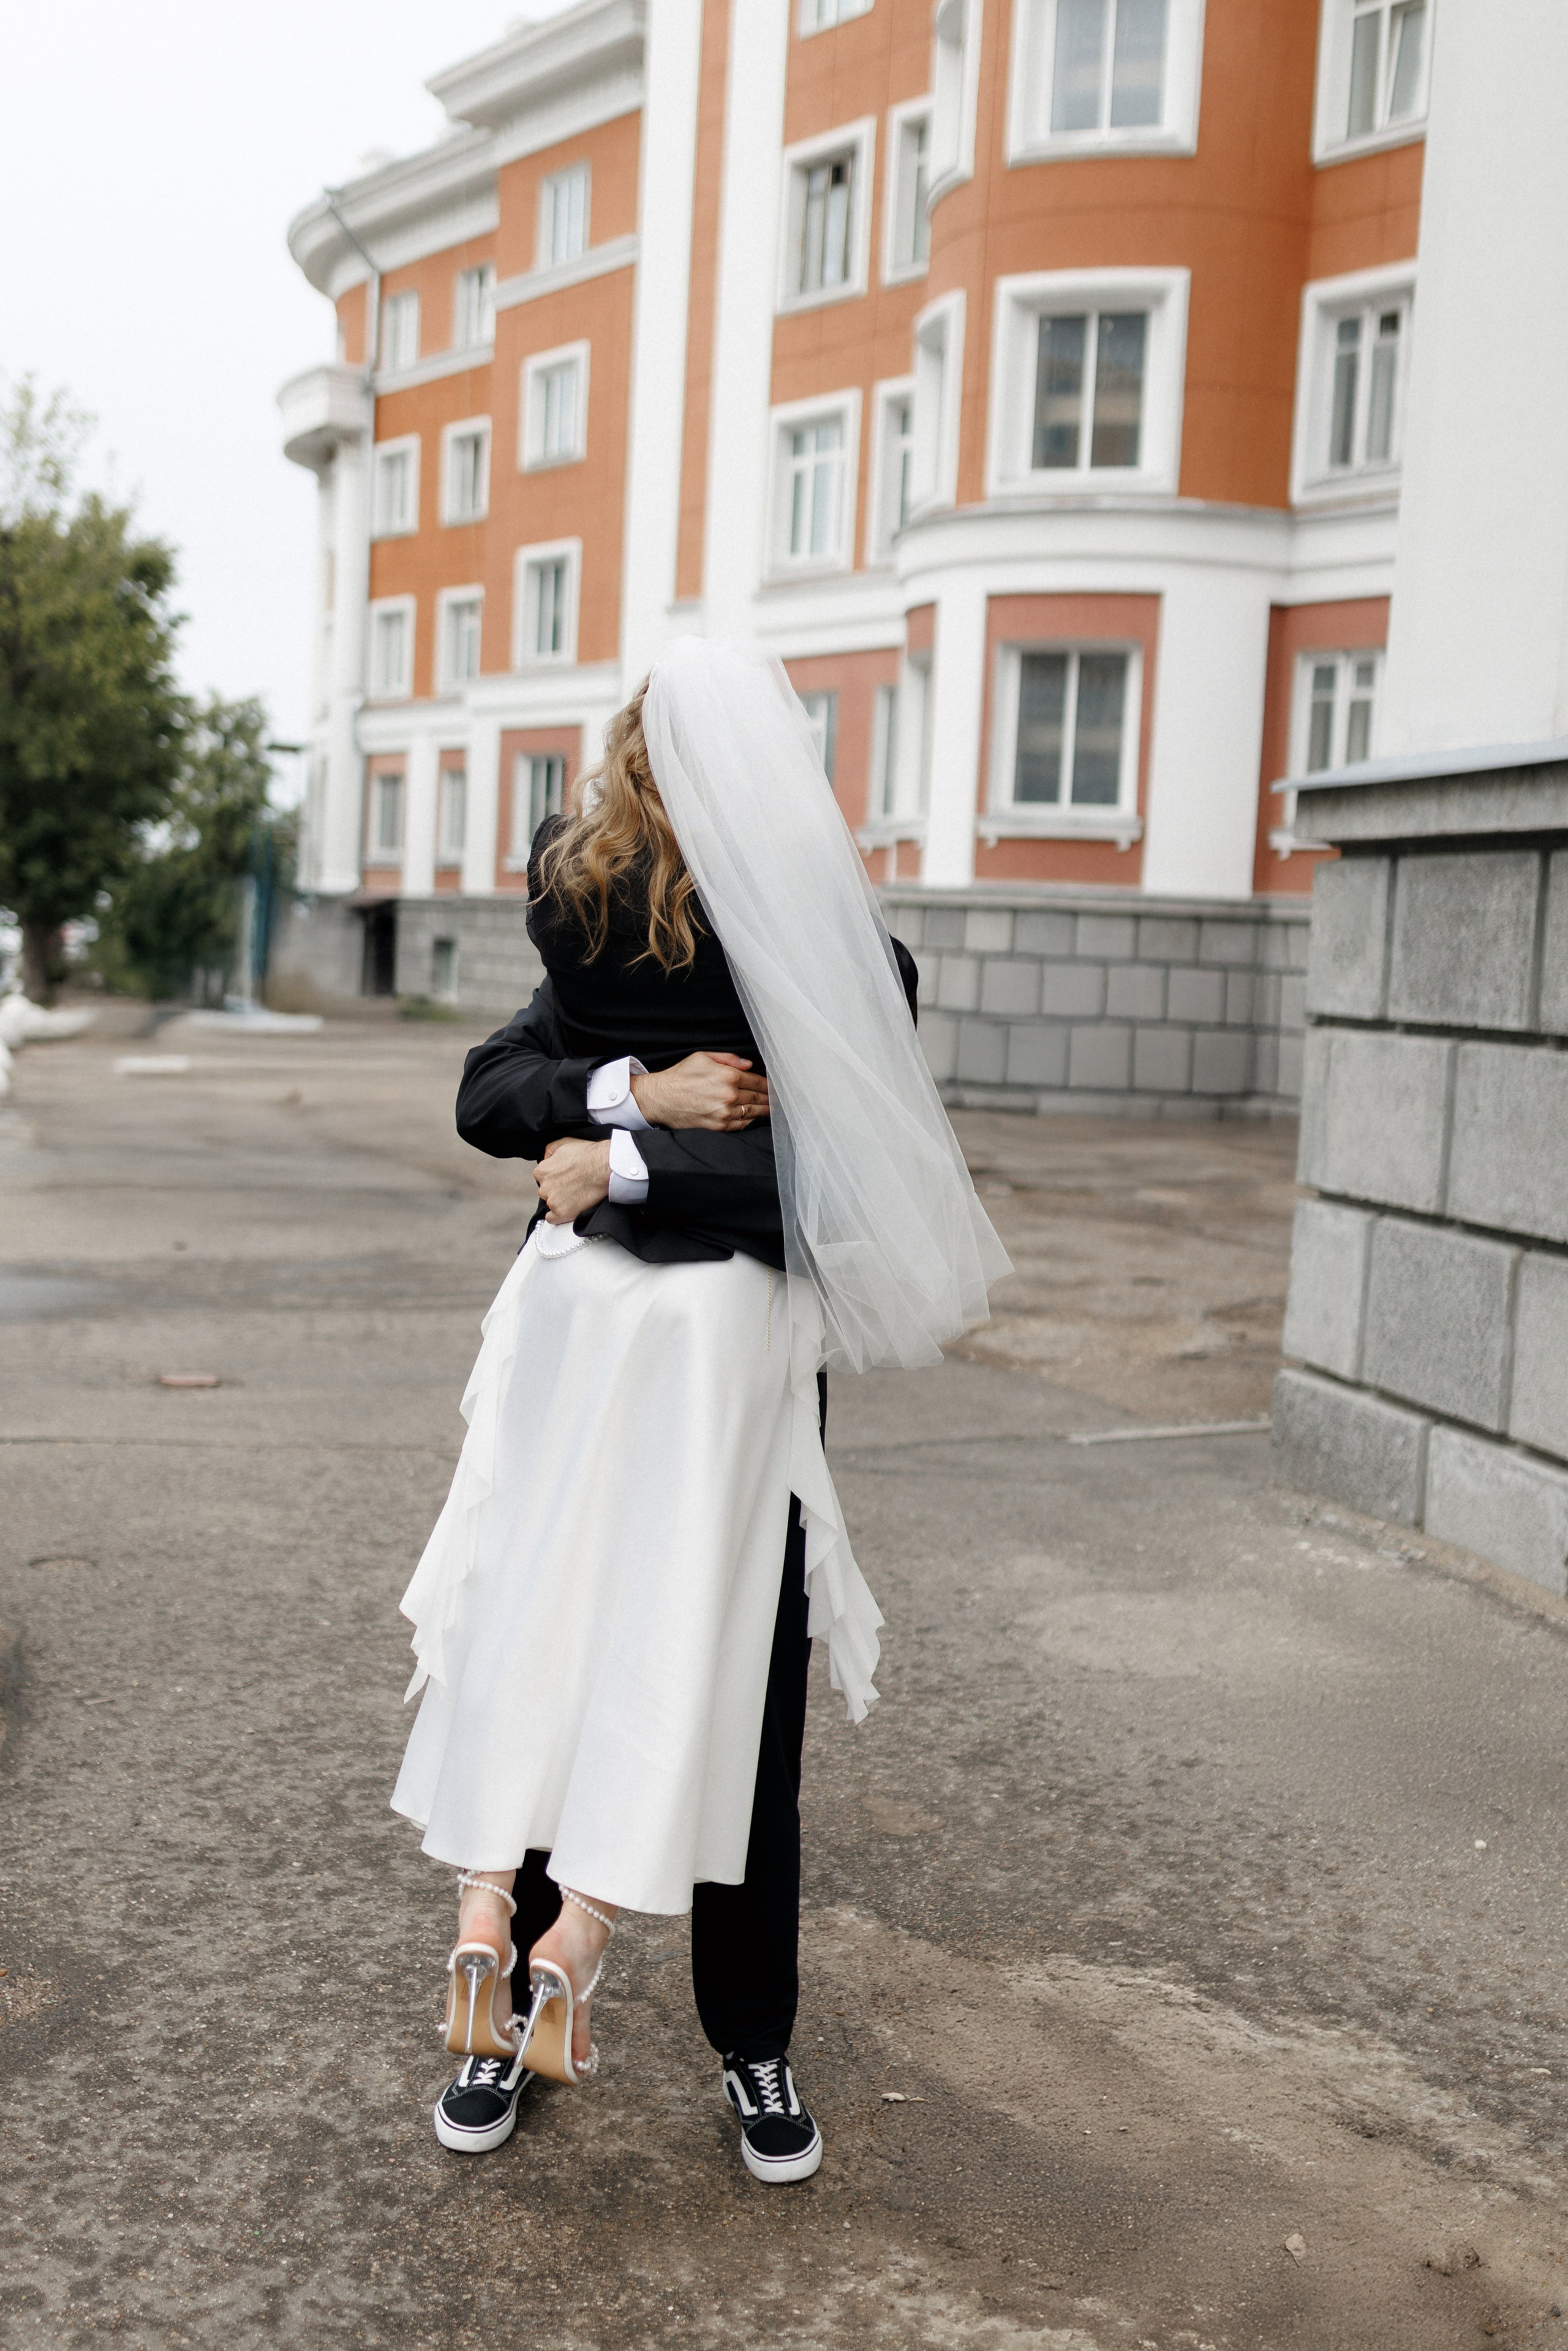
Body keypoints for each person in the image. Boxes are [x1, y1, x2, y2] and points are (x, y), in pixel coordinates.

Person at [391, 638, 1008, 2176]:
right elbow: (490, 1092)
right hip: (634, 1350)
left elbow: (837, 1185)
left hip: (701, 1353)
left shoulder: (830, 949)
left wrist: (623, 1158)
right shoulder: (597, 913)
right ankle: (531, 2020)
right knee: (572, 1636)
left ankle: (744, 2042)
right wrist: (635, 1095)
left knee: (732, 1691)